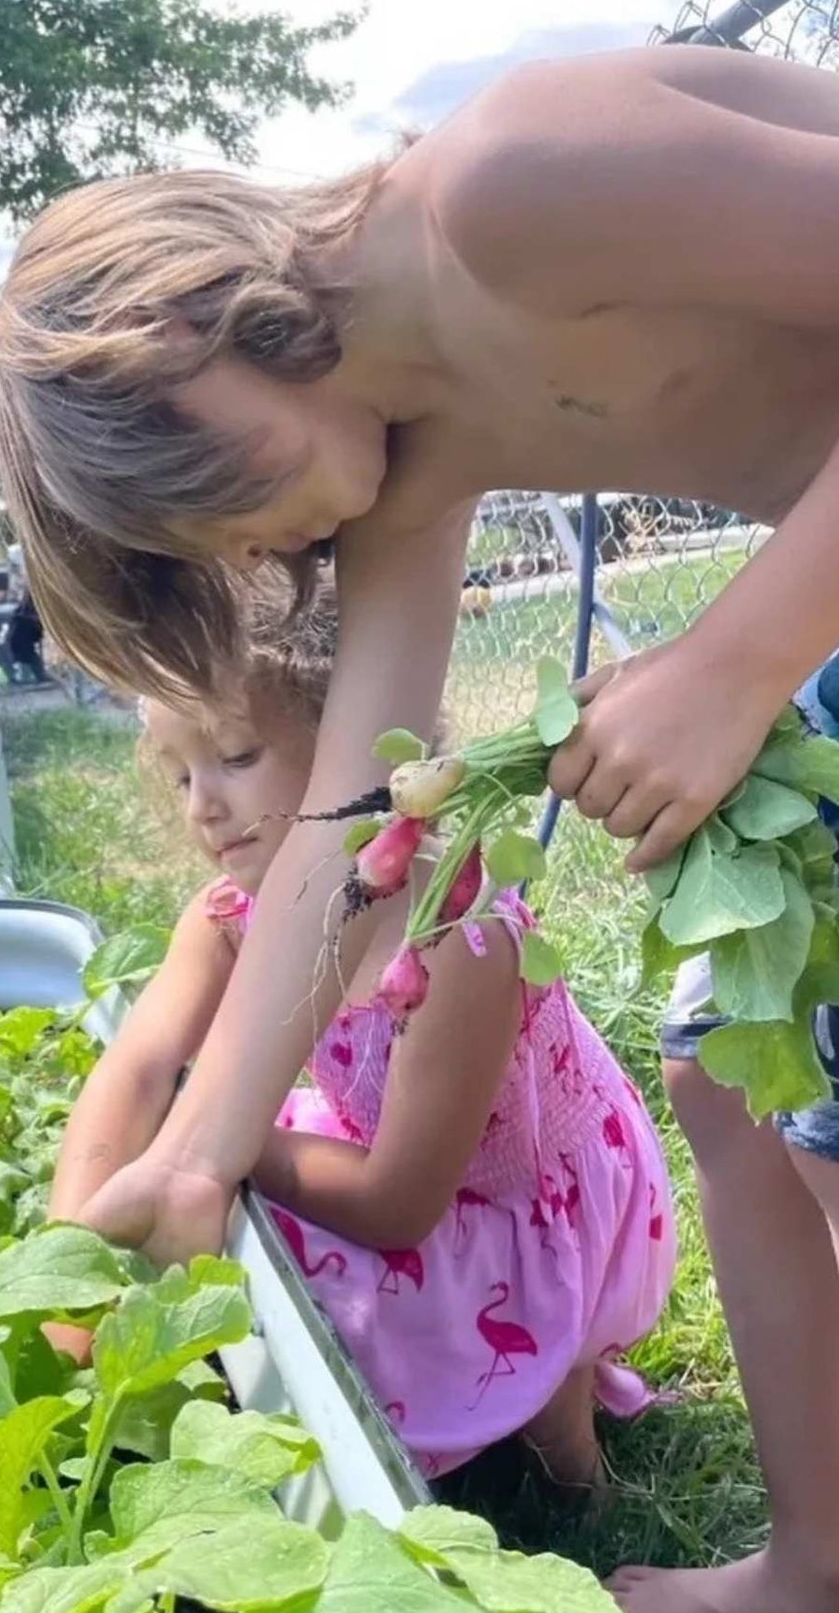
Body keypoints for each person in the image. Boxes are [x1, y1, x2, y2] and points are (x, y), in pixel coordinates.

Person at [0, 44, 839, 1613]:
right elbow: (352, 828)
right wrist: (202, 1155)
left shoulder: (520, 182)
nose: (248, 549)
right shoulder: (405, 460)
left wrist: (733, 664)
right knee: (732, 1072)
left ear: (193, 323)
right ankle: (822, 1559)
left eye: (204, 494)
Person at [47, 595, 675, 1487]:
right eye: (179, 773)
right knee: (227, 1206)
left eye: (233, 757)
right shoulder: (230, 916)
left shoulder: (458, 936)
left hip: (510, 1200)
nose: (202, 808)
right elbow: (138, 1067)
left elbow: (399, 1204)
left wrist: (216, 1137)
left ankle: (570, 1446)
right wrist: (66, 1270)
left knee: (269, 1226)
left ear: (362, 735)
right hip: (379, 1150)